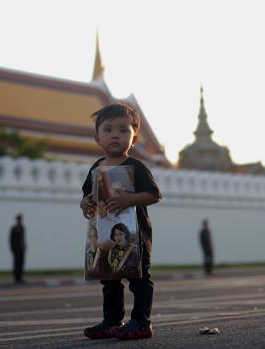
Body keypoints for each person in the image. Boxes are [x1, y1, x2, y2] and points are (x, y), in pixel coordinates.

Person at [80, 103, 162, 340]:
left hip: (135, 236)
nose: (115, 134)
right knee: (110, 280)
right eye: (108, 129)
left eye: (123, 130)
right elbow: (87, 195)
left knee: (139, 279)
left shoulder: (136, 167)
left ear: (134, 138)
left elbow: (154, 195)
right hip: (106, 235)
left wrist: (129, 199)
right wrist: (85, 203)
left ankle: (141, 322)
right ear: (97, 138)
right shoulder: (97, 168)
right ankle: (112, 321)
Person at [9, 214, 26, 283]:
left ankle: (20, 277)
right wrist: (12, 248)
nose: (20, 220)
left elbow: (23, 238)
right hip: (16, 248)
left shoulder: (22, 227)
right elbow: (11, 239)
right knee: (16, 263)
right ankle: (16, 278)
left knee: (21, 263)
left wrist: (24, 246)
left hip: (21, 248)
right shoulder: (14, 228)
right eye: (19, 219)